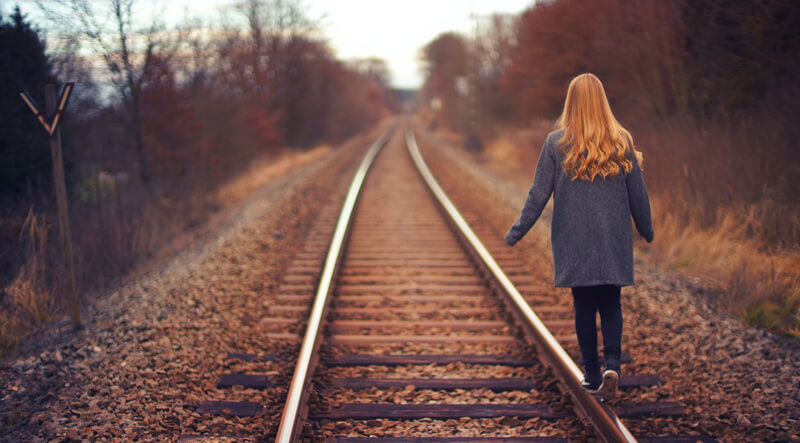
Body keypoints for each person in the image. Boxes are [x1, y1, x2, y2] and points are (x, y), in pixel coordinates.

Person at [504, 73, 654, 401]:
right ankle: (613, 362)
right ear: (602, 101)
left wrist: (517, 232)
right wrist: (646, 229)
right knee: (611, 301)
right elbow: (637, 195)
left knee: (584, 304)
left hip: (574, 240)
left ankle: (591, 372)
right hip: (612, 238)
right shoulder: (621, 141)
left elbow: (538, 194)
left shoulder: (556, 143)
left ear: (570, 102)